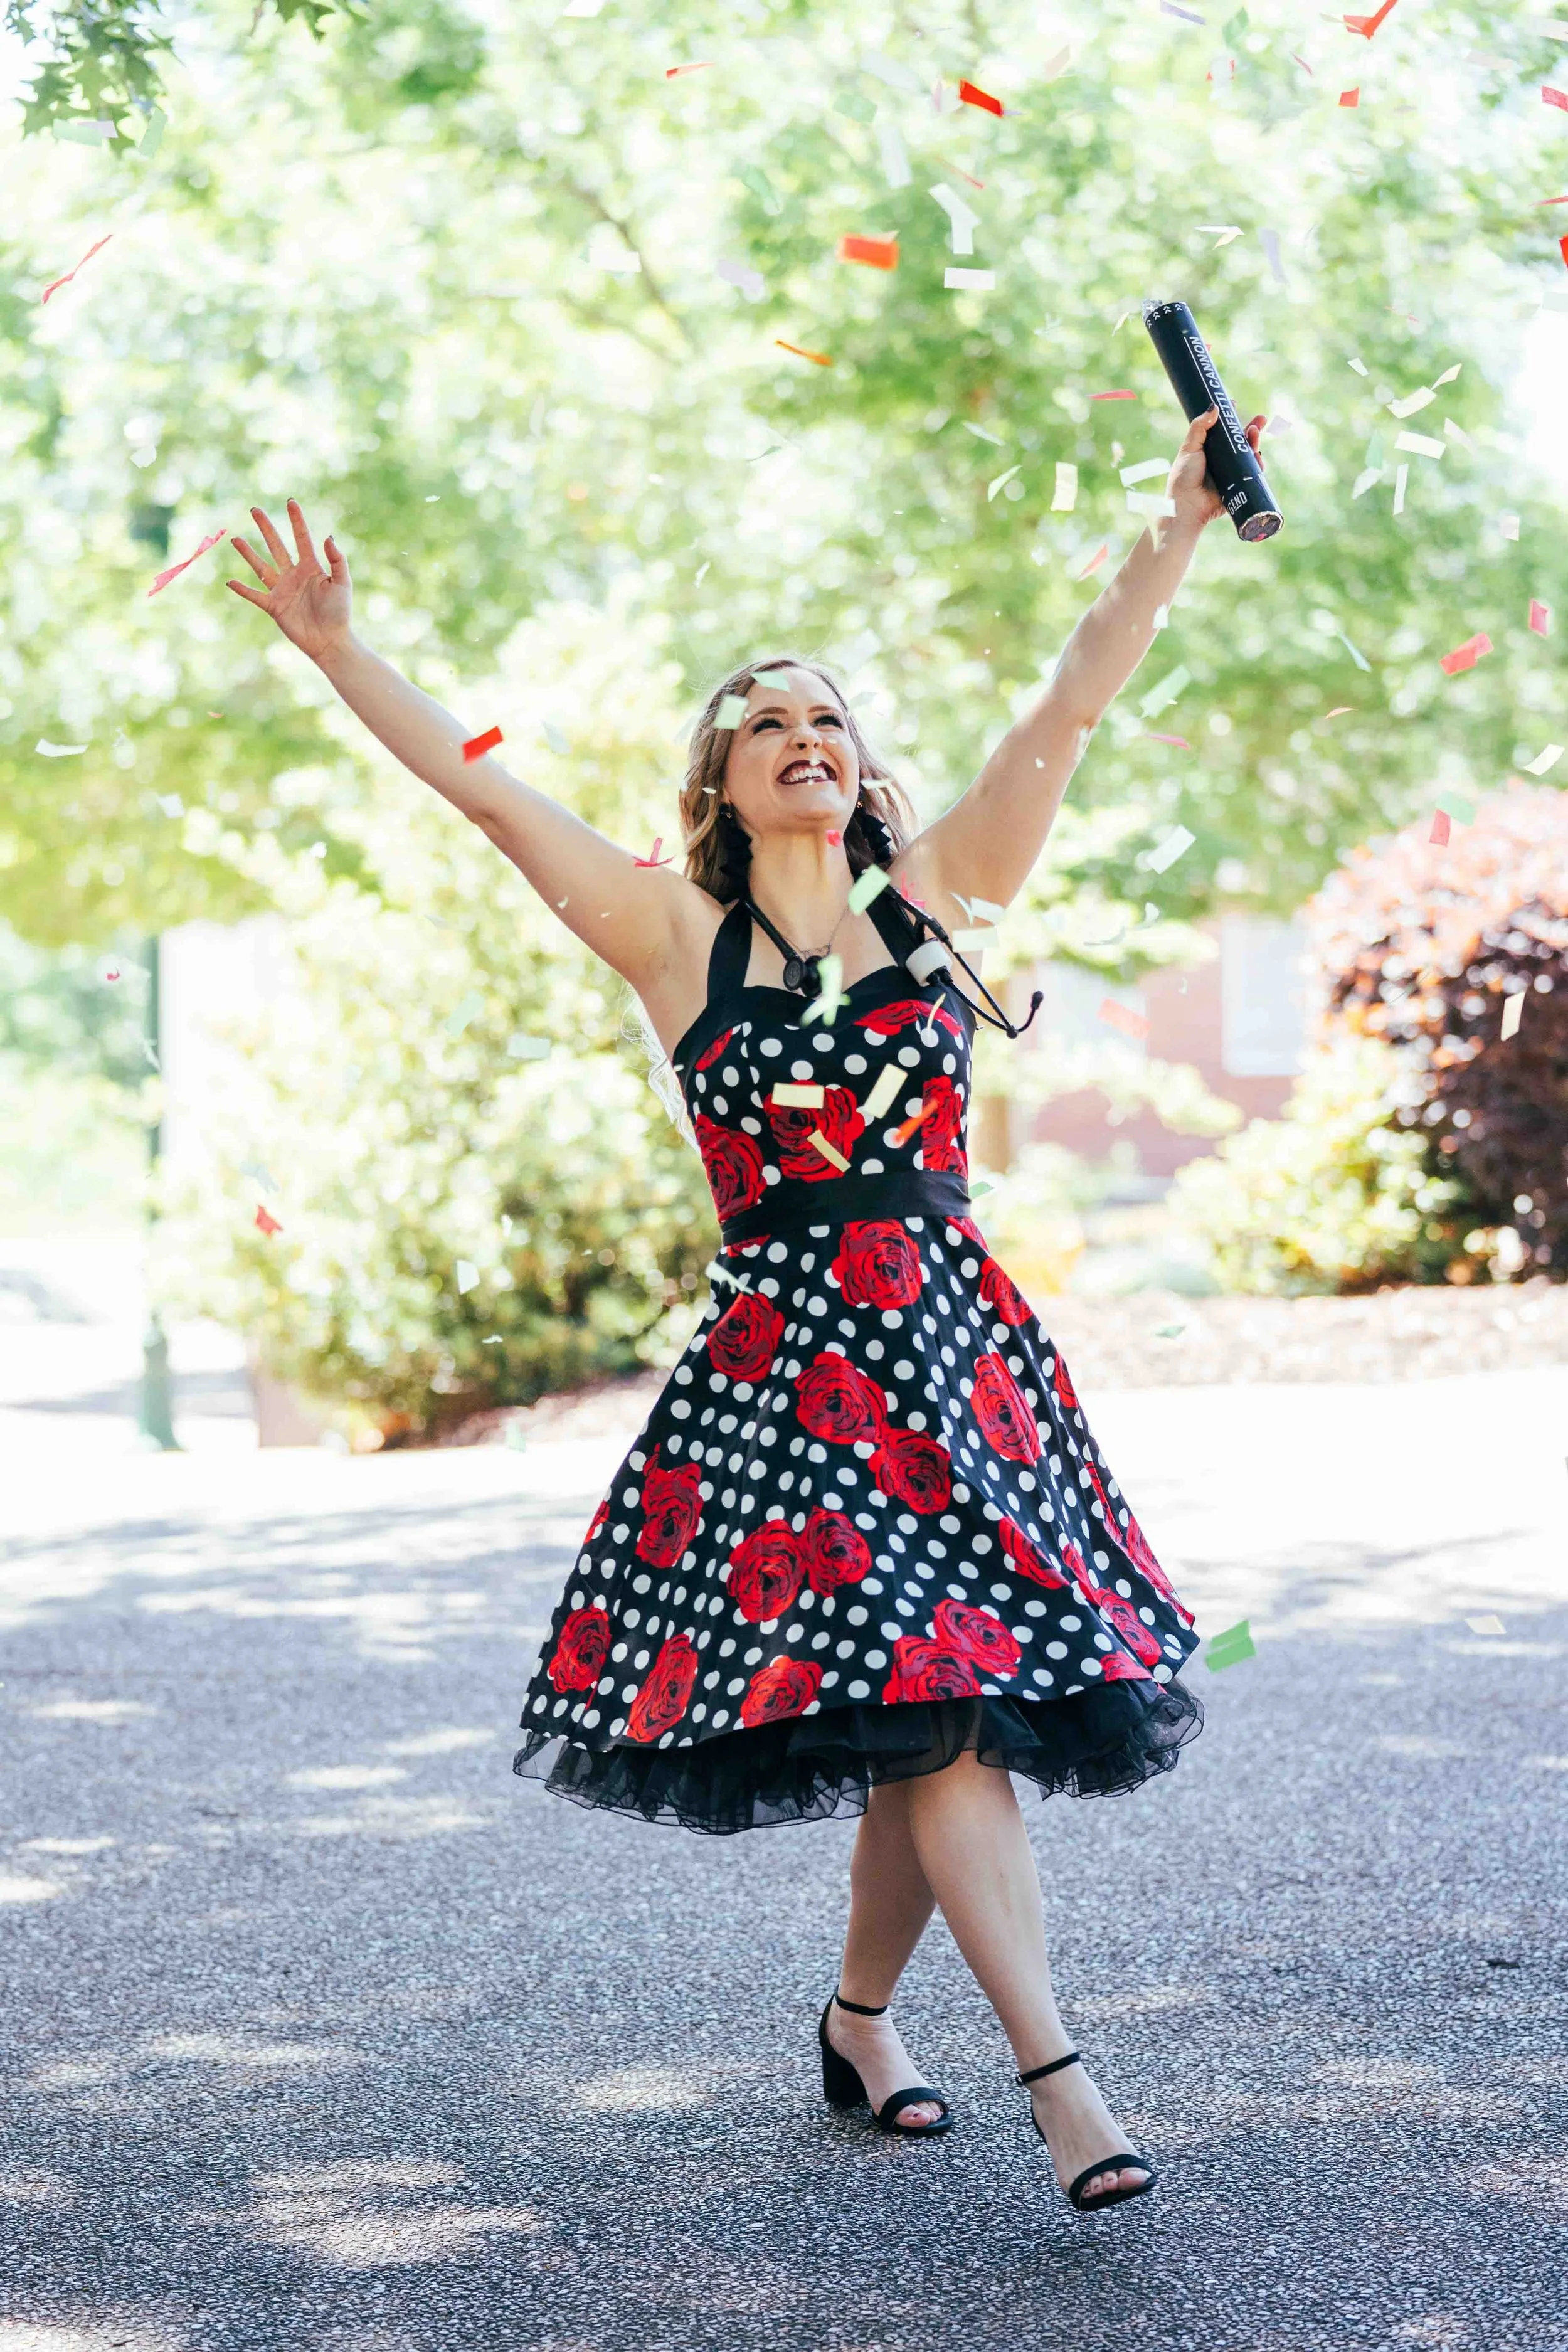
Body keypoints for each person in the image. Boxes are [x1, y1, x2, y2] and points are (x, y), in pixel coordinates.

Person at [228, 401, 1265, 2214]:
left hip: (953, 1355)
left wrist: (1173, 523)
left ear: (861, 770)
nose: (803, 737)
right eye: (763, 721)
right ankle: (1063, 2084)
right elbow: (479, 792)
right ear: (715, 783)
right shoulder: (662, 934)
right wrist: (337, 650)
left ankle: (862, 2020)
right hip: (785, 1374)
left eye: (827, 719)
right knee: (930, 1709)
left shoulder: (940, 894)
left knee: (916, 1713)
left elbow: (1072, 699)